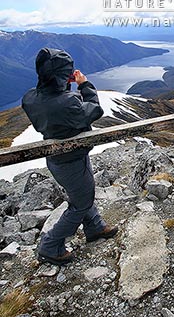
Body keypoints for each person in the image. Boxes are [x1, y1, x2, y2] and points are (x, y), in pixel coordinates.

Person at [22, 47, 118, 266]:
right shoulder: (67, 103)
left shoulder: (30, 98)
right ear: (60, 75)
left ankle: (94, 227)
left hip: (56, 160)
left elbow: (51, 103)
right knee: (81, 204)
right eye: (67, 72)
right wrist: (84, 85)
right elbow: (93, 110)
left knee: (82, 196)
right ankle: (50, 246)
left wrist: (61, 84)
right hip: (72, 160)